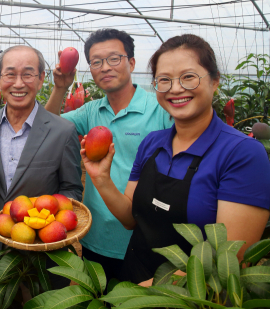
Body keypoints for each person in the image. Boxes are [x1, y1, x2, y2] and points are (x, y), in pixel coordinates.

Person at [83, 34, 270, 283]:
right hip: (133, 275)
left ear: (215, 81)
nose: (176, 88)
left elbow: (228, 261)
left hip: (189, 295)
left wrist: (144, 293)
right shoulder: (152, 143)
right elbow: (131, 219)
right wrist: (102, 179)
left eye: (188, 77)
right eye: (164, 80)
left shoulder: (241, 153)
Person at [44, 29, 173, 279]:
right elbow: (47, 126)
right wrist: (60, 87)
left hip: (147, 239)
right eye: (96, 62)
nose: (105, 67)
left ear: (131, 62)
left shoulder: (159, 110)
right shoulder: (91, 112)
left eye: (114, 58)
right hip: (98, 237)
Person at [0, 45, 83, 237]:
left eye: (28, 74)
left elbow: (71, 190)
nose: (18, 84)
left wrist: (48, 223)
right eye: (10, 74)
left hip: (40, 249)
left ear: (41, 79)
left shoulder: (63, 132)